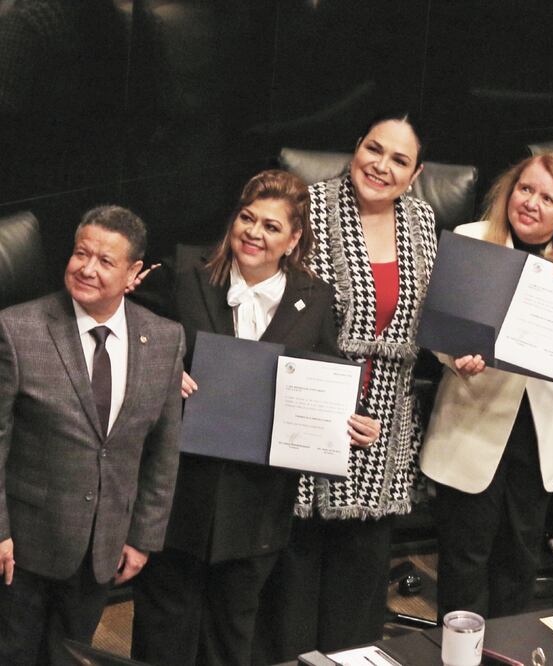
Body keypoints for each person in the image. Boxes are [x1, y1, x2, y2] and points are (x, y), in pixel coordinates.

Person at [129, 170, 379, 666]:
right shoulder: (185, 273)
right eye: (247, 218)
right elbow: (127, 330)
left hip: (257, 501)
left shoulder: (316, 299)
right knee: (164, 628)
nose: (253, 233)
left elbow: (328, 379)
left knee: (232, 630)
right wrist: (160, 368)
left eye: (270, 226)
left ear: (293, 240)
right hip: (180, 491)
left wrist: (351, 423)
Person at [257, 113, 437, 660]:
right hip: (306, 408)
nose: (381, 166)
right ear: (356, 147)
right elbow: (270, 303)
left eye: (399, 160)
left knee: (359, 582)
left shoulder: (424, 221)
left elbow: (431, 317)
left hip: (385, 423)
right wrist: (329, 401)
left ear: (416, 173)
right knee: (296, 574)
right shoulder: (306, 208)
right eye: (373, 149)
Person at [419, 152, 553, 619]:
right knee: (465, 561)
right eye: (525, 189)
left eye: (547, 198)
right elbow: (437, 331)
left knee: (518, 560)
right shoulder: (471, 240)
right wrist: (455, 359)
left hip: (537, 432)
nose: (530, 202)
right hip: (473, 421)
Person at [0, 206, 185, 666]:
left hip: (102, 550)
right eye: (81, 253)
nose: (87, 268)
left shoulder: (165, 339)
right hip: (21, 549)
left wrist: (143, 536)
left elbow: (163, 450)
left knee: (73, 658)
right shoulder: (16, 329)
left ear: (133, 273)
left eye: (105, 261)